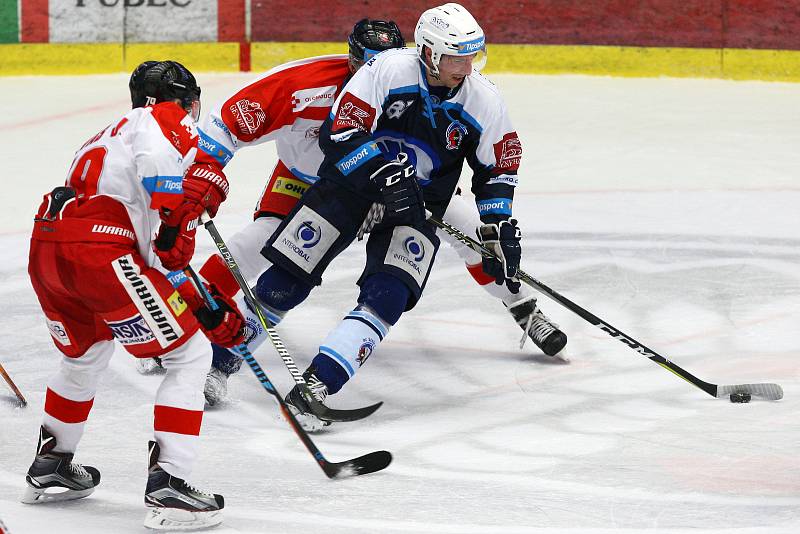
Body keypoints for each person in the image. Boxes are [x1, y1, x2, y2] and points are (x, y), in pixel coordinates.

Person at [188, 17, 566, 407]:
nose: (467, 68)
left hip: (415, 199)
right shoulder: (371, 72)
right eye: (457, 57)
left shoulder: (481, 98)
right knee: (282, 272)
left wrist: (497, 222)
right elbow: (336, 133)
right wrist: (199, 174)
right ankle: (215, 359)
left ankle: (522, 306)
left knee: (404, 285)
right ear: (428, 52)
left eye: (472, 57)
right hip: (342, 184)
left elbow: (498, 165)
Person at [22, 60, 245, 531]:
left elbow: (157, 258)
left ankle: (51, 463)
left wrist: (199, 299)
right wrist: (178, 211)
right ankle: (170, 488)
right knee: (189, 354)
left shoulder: (105, 134)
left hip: (48, 254)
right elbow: (163, 231)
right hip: (100, 257)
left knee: (85, 356)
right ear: (183, 100)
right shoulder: (162, 119)